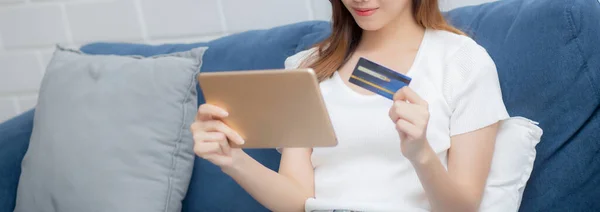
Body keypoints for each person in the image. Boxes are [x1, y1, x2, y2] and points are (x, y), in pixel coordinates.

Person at [190, 0, 510, 211]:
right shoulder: (307, 67)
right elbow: (299, 200)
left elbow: (463, 208)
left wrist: (421, 155)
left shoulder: (462, 61)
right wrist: (232, 160)